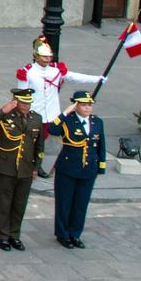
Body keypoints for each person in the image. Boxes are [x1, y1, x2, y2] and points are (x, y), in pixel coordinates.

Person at [0, 86, 45, 251]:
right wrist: (3, 110)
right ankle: (3, 235)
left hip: (25, 166)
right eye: (23, 103)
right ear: (15, 102)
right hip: (6, 165)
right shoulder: (6, 116)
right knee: (4, 202)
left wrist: (36, 167)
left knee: (20, 203)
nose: (26, 106)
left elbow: (39, 146)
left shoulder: (36, 119)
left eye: (29, 103)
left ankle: (14, 235)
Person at [47, 91, 106, 249]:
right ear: (76, 105)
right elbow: (52, 130)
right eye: (84, 105)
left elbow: (101, 146)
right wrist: (66, 112)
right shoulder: (68, 121)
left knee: (81, 204)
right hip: (68, 168)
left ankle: (75, 234)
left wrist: (100, 168)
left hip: (88, 169)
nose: (88, 108)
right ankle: (62, 234)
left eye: (90, 105)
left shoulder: (97, 122)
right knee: (64, 202)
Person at [14, 37, 105, 128]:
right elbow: (21, 95)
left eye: (49, 56)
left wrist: (96, 79)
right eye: (44, 56)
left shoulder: (56, 70)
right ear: (36, 57)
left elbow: (74, 77)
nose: (47, 59)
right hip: (34, 113)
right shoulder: (27, 72)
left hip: (52, 114)